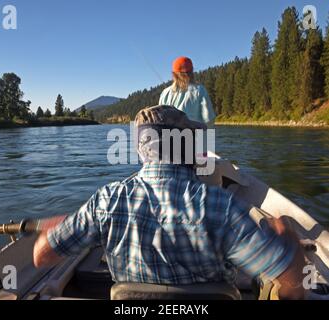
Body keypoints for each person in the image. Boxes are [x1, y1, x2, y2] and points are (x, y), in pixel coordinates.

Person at [33, 105, 306, 300]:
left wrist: (55, 231)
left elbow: (41, 257)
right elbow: (291, 281)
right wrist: (290, 242)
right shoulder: (220, 206)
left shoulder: (106, 200)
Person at [159, 57, 216, 126]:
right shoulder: (200, 90)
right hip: (194, 135)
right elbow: (208, 119)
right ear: (192, 72)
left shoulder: (165, 93)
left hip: (169, 135)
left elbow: (160, 119)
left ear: (174, 74)